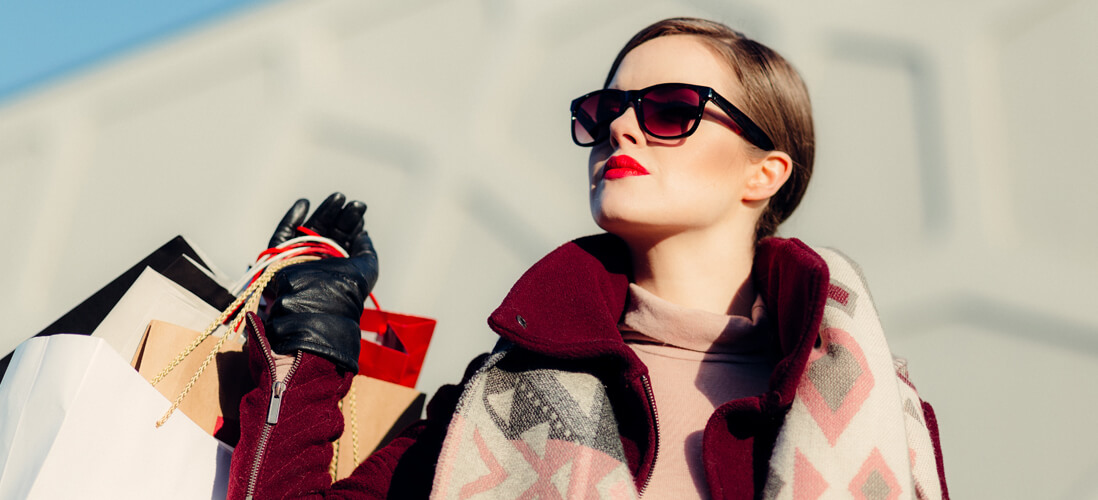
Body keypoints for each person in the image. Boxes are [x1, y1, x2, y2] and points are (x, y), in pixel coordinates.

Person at [227, 18, 948, 499]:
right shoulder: (500, 398)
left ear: (764, 173)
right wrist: (312, 341)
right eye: (606, 112)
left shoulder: (876, 411)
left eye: (671, 109)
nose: (623, 128)